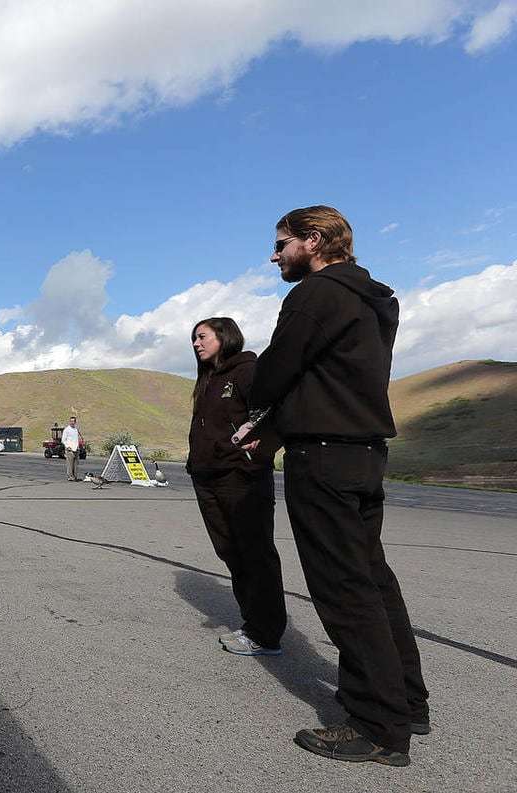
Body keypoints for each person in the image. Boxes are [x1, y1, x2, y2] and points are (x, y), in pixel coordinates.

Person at [234, 205, 428, 767]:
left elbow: (277, 370)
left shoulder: (316, 295)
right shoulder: (372, 300)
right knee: (371, 578)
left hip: (322, 456)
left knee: (343, 588)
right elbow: (321, 376)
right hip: (364, 451)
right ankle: (406, 701)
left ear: (314, 240)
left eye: (281, 244)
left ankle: (377, 725)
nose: (274, 256)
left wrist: (258, 411)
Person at [185, 317, 286, 657]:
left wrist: (259, 447)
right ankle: (253, 624)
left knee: (254, 553)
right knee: (230, 551)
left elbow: (272, 410)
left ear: (223, 336)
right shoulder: (208, 379)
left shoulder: (247, 370)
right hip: (207, 475)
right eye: (193, 339)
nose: (196, 344)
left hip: (240, 476)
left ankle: (266, 633)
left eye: (202, 337)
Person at [62, 416, 83, 481]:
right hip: (70, 449)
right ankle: (70, 477)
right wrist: (67, 446)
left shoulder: (76, 429)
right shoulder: (67, 430)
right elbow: (63, 440)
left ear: (75, 422)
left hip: (76, 449)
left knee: (75, 464)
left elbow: (77, 439)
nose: (72, 422)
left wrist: (79, 447)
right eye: (71, 421)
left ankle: (75, 476)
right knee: (70, 464)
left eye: (73, 421)